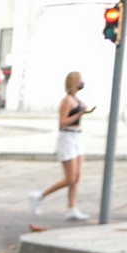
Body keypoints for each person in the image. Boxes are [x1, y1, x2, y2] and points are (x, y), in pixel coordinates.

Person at [33, 71, 91, 221]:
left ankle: (72, 207)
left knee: (76, 177)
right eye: (79, 80)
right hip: (67, 137)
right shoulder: (67, 101)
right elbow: (62, 122)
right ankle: (40, 196)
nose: (81, 82)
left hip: (77, 136)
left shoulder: (76, 99)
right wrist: (79, 115)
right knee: (70, 178)